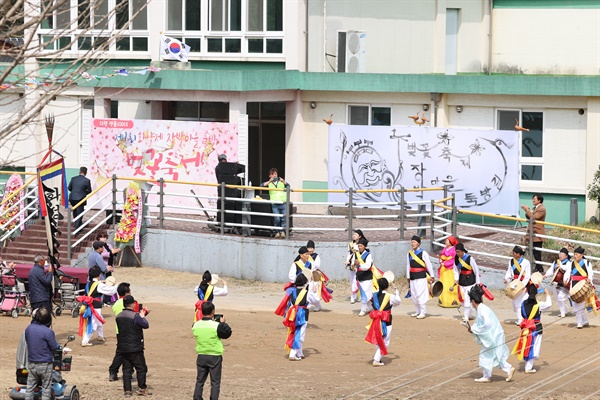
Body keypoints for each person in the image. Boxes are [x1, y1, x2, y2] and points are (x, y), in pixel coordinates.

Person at [467, 285, 515, 383]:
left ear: (472, 301)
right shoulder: (482, 308)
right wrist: (472, 329)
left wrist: (474, 329)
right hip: (495, 335)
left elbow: (487, 324)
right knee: (494, 355)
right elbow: (479, 324)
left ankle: (487, 376)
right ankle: (508, 368)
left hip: (495, 335)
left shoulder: (482, 309)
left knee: (485, 355)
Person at [192, 302, 233, 400]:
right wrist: (223, 324)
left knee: (200, 381)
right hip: (214, 355)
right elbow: (227, 334)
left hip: (201, 355)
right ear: (213, 311)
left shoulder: (195, 325)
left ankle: (197, 398)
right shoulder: (216, 325)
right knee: (215, 382)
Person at [512, 284, 552, 374]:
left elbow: (522, 314)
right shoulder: (539, 304)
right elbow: (549, 304)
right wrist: (548, 294)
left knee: (526, 345)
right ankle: (528, 367)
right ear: (536, 293)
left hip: (525, 327)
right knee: (534, 347)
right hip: (536, 328)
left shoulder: (522, 303)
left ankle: (528, 365)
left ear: (527, 291)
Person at [115, 295, 151, 397]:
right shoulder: (135, 316)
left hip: (123, 346)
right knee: (141, 368)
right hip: (135, 346)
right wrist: (143, 315)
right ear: (133, 304)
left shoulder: (119, 316)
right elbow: (145, 324)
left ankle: (127, 390)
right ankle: (142, 388)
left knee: (127, 369)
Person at [24, 306, 61, 400]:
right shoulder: (48, 332)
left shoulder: (29, 329)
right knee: (46, 388)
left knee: (30, 388)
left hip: (32, 363)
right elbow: (54, 347)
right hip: (45, 364)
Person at [365, 277, 401, 366]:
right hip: (386, 321)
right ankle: (376, 360)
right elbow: (398, 302)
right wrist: (397, 294)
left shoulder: (374, 295)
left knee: (378, 338)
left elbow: (369, 303)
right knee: (385, 341)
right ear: (387, 286)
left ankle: (378, 358)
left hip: (376, 321)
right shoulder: (390, 296)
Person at [78, 266, 118, 347]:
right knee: (94, 324)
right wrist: (117, 286)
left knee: (99, 321)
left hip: (89, 305)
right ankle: (85, 341)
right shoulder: (98, 285)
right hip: (95, 307)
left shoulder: (87, 284)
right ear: (98, 275)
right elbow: (110, 291)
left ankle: (100, 336)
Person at [275, 273, 310, 361]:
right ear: (305, 282)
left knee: (295, 331)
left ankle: (299, 353)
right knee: (300, 334)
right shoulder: (306, 292)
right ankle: (293, 353)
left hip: (292, 313)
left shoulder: (291, 290)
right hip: (302, 314)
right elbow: (313, 300)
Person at [109, 282, 139, 382]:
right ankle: (123, 371)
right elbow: (137, 316)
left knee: (121, 352)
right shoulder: (131, 303)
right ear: (126, 293)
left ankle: (115, 372)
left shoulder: (116, 304)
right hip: (131, 331)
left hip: (120, 331)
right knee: (130, 352)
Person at [565, 247, 595, 329]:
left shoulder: (587, 263)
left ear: (581, 255)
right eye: (574, 254)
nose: (575, 256)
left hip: (583, 284)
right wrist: (566, 279)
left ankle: (579, 323)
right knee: (575, 303)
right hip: (574, 284)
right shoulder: (571, 263)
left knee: (580, 304)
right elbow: (568, 273)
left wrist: (590, 279)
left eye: (576, 254)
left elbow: (591, 274)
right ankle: (585, 321)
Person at [406, 236, 434, 319]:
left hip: (421, 275)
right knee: (414, 293)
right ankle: (417, 310)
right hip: (412, 276)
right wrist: (408, 276)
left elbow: (428, 264)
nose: (412, 244)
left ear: (418, 243)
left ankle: (422, 311)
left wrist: (432, 275)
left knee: (420, 293)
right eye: (412, 242)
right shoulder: (409, 253)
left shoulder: (423, 253)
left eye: (414, 242)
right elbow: (408, 265)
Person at [504, 246, 531, 325]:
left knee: (517, 301)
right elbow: (509, 272)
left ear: (519, 254)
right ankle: (521, 317)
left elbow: (527, 275)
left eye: (514, 253)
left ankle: (520, 319)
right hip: (513, 283)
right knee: (513, 301)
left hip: (521, 284)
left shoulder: (526, 262)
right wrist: (507, 279)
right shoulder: (511, 261)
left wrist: (522, 285)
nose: (513, 254)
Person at [454, 243, 481, 322]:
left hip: (470, 281)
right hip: (462, 280)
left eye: (459, 251)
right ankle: (470, 314)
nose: (457, 253)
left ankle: (466, 316)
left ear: (462, 251)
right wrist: (456, 278)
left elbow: (476, 269)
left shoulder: (469, 258)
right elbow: (455, 269)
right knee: (462, 299)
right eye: (456, 252)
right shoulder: (456, 258)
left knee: (467, 298)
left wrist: (478, 282)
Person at [521, 193, 546, 273]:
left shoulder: (541, 209)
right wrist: (527, 211)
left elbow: (534, 218)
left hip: (537, 233)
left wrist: (527, 210)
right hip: (533, 232)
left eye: (534, 199)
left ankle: (539, 267)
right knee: (534, 251)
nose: (533, 201)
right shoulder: (535, 208)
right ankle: (538, 266)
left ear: (539, 200)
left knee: (537, 251)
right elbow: (529, 216)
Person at [260, 168, 288, 238]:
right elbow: (261, 186)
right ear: (270, 176)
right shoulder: (269, 183)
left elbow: (288, 186)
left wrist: (283, 181)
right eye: (272, 174)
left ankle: (283, 232)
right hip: (275, 204)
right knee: (277, 218)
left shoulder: (281, 182)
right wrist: (269, 182)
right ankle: (277, 232)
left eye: (275, 174)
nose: (274, 176)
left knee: (284, 219)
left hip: (283, 202)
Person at [544, 247, 572, 318]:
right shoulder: (556, 262)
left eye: (562, 254)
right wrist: (546, 275)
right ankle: (563, 310)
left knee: (561, 297)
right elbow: (551, 270)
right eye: (560, 254)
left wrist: (561, 266)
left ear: (566, 256)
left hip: (564, 283)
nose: (560, 255)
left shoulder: (569, 263)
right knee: (557, 298)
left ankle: (563, 311)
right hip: (556, 282)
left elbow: (567, 268)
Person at [355, 237, 375, 317]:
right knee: (365, 294)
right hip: (359, 277)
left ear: (364, 247)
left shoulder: (368, 255)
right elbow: (355, 264)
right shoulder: (356, 254)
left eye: (361, 246)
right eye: (358, 246)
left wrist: (359, 264)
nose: (359, 247)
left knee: (365, 294)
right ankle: (370, 307)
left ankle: (363, 310)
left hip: (367, 277)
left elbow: (367, 266)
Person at [344, 229, 365, 304]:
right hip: (352, 264)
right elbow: (349, 254)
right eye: (354, 234)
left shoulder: (362, 244)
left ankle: (360, 296)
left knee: (360, 281)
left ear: (360, 236)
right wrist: (347, 261)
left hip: (359, 264)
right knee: (353, 281)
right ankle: (353, 297)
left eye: (356, 235)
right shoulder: (350, 244)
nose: (354, 236)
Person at [438, 236, 459, 308]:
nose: (445, 242)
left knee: (449, 283)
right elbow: (441, 256)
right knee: (443, 284)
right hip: (443, 270)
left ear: (451, 242)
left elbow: (453, 259)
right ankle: (443, 300)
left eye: (447, 241)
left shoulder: (453, 250)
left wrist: (445, 263)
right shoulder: (445, 249)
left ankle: (452, 301)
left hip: (449, 270)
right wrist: (441, 261)